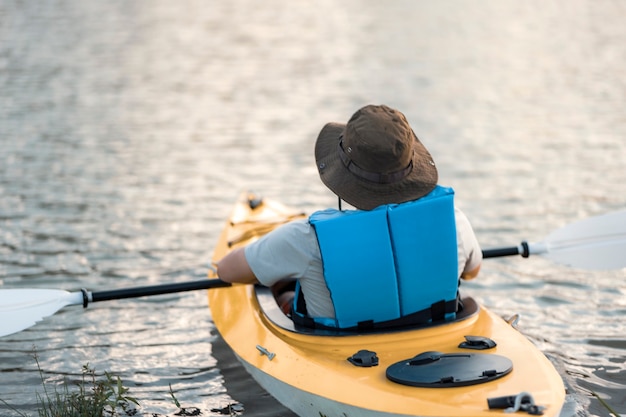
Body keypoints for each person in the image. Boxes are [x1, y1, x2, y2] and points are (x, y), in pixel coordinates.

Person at [217, 104, 482, 329]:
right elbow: (472, 271)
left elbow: (227, 270)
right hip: (436, 336)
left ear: (342, 177)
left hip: (342, 349)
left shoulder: (305, 239)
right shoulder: (454, 221)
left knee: (286, 290)